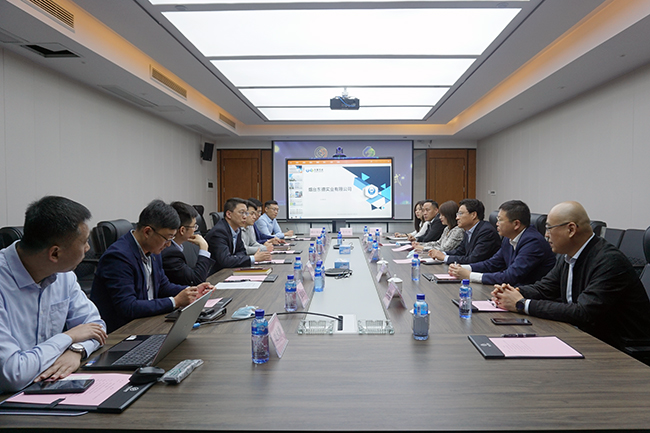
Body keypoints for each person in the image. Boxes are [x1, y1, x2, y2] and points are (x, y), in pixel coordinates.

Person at [491, 201, 650, 349]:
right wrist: (513, 292)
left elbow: (583, 312)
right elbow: (545, 288)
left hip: (621, 349)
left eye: (549, 228)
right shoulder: (567, 256)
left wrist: (522, 304)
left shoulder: (609, 261)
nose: (546, 235)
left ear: (571, 229)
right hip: (586, 336)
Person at [0, 196, 107, 392]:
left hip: (47, 387)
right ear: (55, 254)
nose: (88, 248)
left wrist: (76, 350)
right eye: (84, 242)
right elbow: (12, 374)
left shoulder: (63, 276)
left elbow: (95, 326)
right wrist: (69, 337)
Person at [91, 200, 213, 333]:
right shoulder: (118, 257)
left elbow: (163, 286)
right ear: (147, 232)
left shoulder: (153, 250)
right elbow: (128, 307)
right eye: (167, 238)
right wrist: (175, 301)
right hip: (121, 332)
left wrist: (191, 291)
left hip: (146, 322)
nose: (168, 244)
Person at [448, 200, 556, 285]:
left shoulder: (533, 242)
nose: (496, 223)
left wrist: (469, 276)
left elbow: (511, 276)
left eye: (500, 220)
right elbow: (492, 264)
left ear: (516, 224)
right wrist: (463, 268)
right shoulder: (508, 238)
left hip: (530, 295)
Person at [206, 198, 272, 275]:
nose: (245, 217)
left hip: (230, 270)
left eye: (246, 213)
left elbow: (242, 251)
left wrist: (235, 258)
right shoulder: (219, 232)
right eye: (241, 213)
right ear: (229, 214)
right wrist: (253, 258)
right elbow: (225, 260)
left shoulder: (237, 229)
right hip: (215, 275)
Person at [428, 198, 500, 264]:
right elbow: (460, 251)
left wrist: (444, 258)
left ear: (473, 215)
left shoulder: (486, 232)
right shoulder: (468, 230)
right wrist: (442, 254)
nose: (457, 218)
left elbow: (473, 259)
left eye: (460, 214)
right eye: (457, 214)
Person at [161, 201, 215, 286]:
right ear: (182, 230)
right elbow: (196, 280)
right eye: (194, 226)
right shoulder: (170, 253)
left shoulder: (175, 247)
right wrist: (204, 248)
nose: (195, 230)